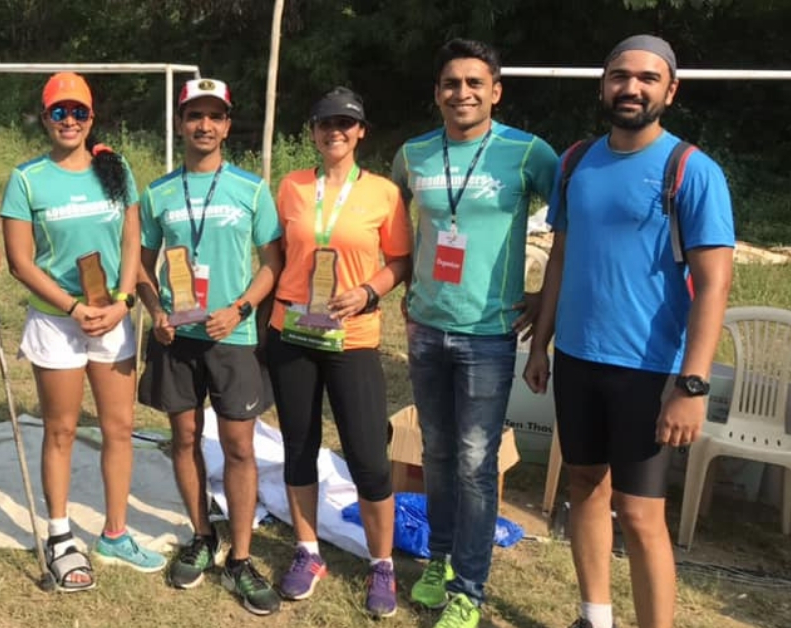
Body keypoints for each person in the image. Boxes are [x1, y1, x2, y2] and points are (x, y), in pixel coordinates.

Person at [524, 35, 734, 628]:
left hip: (649, 370)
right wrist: (540, 344)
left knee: (641, 514)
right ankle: (595, 616)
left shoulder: (691, 170)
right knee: (585, 486)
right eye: (620, 76)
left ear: (670, 89)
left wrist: (692, 386)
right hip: (578, 358)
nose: (631, 88)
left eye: (646, 78)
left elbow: (714, 283)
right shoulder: (576, 162)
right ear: (603, 85)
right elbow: (560, 258)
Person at [390, 39, 558, 628]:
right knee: (436, 453)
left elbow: (569, 226)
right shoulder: (413, 155)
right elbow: (393, 229)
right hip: (426, 327)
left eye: (473, 83)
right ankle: (438, 560)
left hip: (489, 333)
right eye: (450, 83)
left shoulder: (528, 153)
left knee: (473, 460)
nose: (461, 93)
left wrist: (545, 300)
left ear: (496, 91)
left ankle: (470, 586)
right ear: (437, 92)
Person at [1, 71, 164, 592]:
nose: (69, 121)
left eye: (78, 112)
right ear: (44, 118)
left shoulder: (115, 170)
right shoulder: (26, 179)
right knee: (62, 430)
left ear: (92, 118)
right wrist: (72, 306)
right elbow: (20, 263)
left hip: (112, 317)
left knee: (118, 428)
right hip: (57, 321)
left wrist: (120, 301)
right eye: (58, 112)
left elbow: (132, 240)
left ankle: (114, 532)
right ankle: (60, 534)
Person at [135, 78, 284, 615]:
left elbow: (273, 264)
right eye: (193, 115)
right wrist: (154, 312)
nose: (203, 125)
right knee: (184, 439)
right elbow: (140, 266)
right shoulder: (157, 193)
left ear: (226, 124)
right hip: (178, 339)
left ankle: (240, 559)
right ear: (181, 123)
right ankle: (202, 535)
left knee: (240, 447)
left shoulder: (251, 189)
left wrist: (240, 308)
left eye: (213, 116)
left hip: (233, 336)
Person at [266, 87, 413, 618]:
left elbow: (401, 259)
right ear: (311, 131)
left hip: (352, 338)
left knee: (369, 458)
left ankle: (382, 564)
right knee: (299, 447)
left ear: (361, 132)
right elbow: (274, 258)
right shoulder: (291, 187)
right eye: (326, 122)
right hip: (293, 334)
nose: (335, 131)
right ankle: (308, 552)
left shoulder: (383, 194)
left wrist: (369, 290)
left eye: (346, 124)